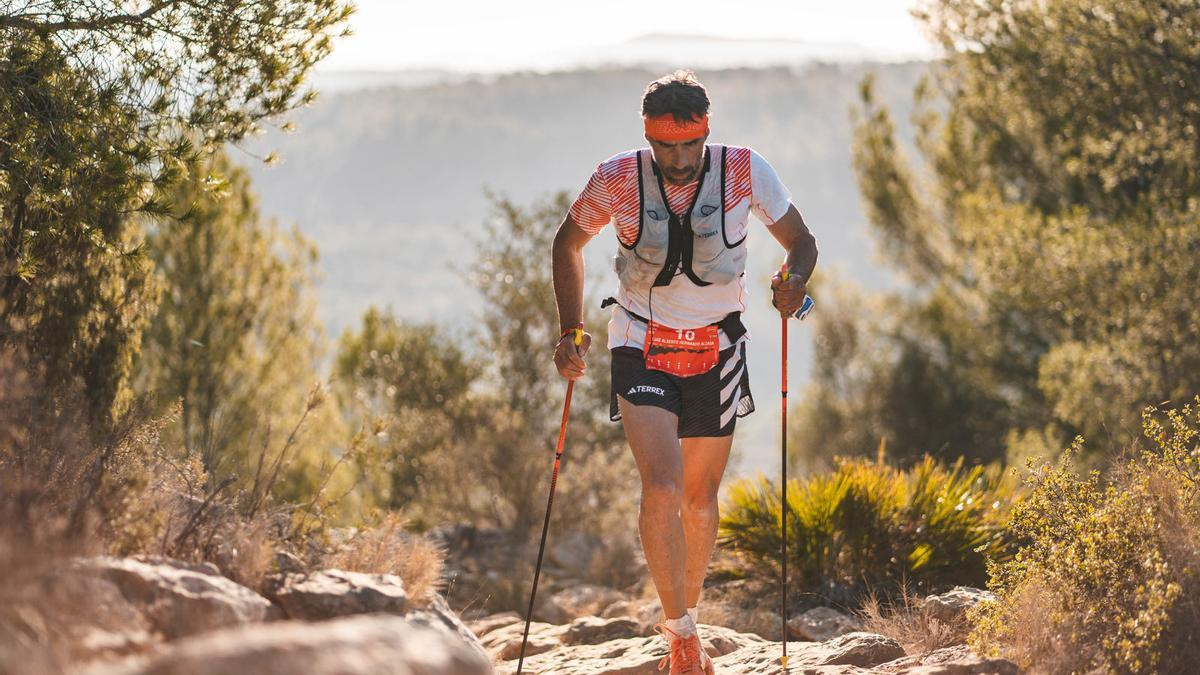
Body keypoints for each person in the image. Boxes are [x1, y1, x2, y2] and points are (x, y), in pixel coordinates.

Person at [551, 70, 817, 675]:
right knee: (664, 488)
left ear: (706, 133)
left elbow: (801, 242)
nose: (677, 160)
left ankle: (686, 614)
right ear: (647, 138)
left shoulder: (746, 169)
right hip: (639, 346)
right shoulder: (618, 176)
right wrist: (570, 330)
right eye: (664, 147)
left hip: (718, 351)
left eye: (688, 146)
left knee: (699, 501)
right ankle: (682, 635)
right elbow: (567, 243)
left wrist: (793, 282)